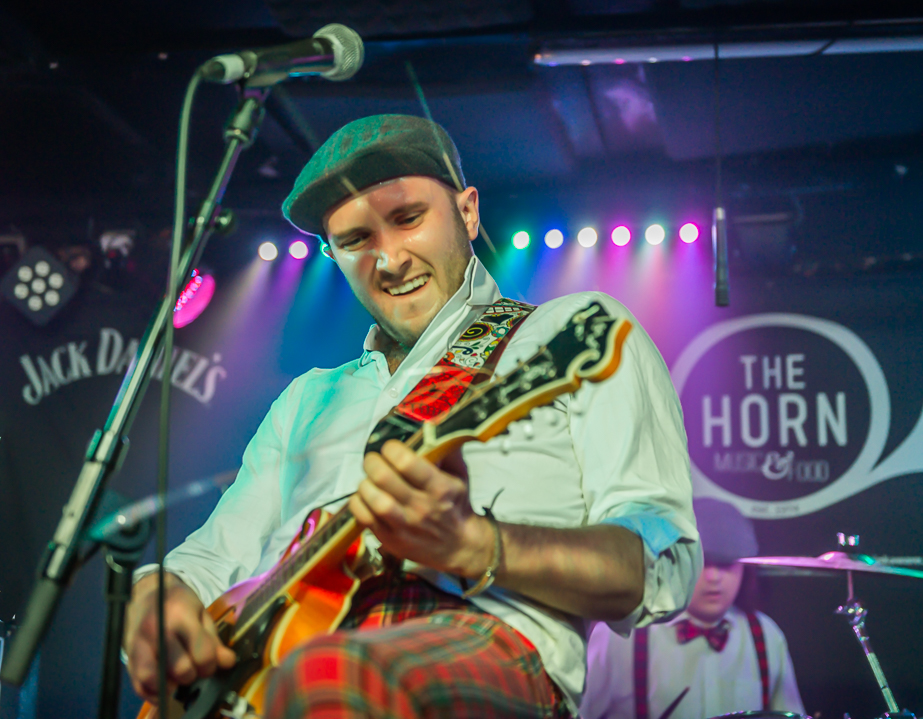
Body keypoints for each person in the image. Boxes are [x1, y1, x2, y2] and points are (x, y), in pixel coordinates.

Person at [122, 114, 701, 718]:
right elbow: (215, 558)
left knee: (328, 674)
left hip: (485, 651)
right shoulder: (308, 397)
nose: (390, 258)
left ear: (468, 213)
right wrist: (162, 593)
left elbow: (664, 564)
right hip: (270, 673)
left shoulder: (568, 332)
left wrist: (478, 544)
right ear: (332, 256)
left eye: (408, 218)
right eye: (354, 240)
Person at [580, 499, 804, 719]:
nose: (713, 577)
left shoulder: (766, 636)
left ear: (744, 569)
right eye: (702, 562)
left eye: (726, 564)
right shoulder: (620, 636)